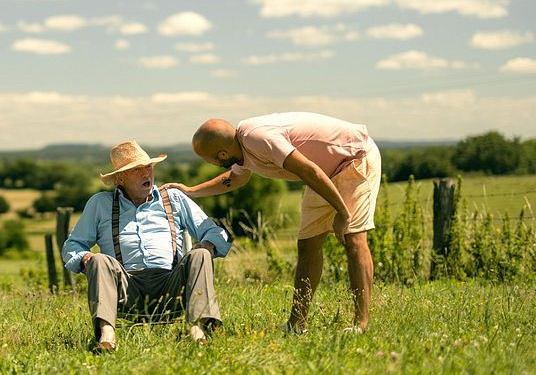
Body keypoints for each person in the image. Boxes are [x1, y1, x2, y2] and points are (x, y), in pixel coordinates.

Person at [172, 112, 381, 333]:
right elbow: (235, 179)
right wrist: (190, 191)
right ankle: (297, 324)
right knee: (308, 245)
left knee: (353, 238)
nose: (209, 163)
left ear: (222, 154)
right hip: (323, 174)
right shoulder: (241, 149)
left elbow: (308, 170)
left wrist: (343, 213)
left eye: (208, 159)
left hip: (354, 158)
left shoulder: (258, 139)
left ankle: (361, 324)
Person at [61, 140, 231, 350]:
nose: (146, 173)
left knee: (201, 254)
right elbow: (72, 246)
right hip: (125, 289)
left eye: (148, 167)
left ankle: (197, 330)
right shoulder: (100, 203)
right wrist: (85, 258)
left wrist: (207, 244)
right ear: (120, 178)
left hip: (172, 286)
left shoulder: (173, 198)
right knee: (99, 259)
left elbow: (215, 232)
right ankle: (106, 335)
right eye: (137, 169)